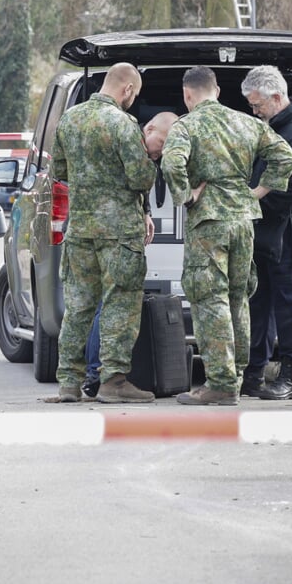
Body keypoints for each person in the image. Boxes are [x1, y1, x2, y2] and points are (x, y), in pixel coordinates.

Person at [160, 66, 292, 405]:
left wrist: (187, 196)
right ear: (217, 90)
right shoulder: (247, 123)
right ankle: (235, 377)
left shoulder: (186, 126)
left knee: (210, 299)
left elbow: (171, 163)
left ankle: (219, 383)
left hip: (210, 222)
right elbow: (285, 155)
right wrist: (258, 191)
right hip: (243, 221)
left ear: (187, 95)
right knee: (238, 297)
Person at [51, 63, 159, 404]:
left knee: (79, 306)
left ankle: (69, 382)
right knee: (119, 303)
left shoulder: (70, 119)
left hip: (81, 229)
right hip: (119, 234)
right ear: (126, 89)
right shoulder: (123, 124)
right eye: (135, 94)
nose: (133, 100)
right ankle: (112, 381)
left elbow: (59, 170)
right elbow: (142, 178)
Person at [82, 111, 178, 398]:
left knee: (103, 304)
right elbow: (134, 181)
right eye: (161, 144)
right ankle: (100, 375)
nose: (160, 154)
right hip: (113, 234)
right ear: (148, 128)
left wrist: (146, 212)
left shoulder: (129, 142)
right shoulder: (126, 142)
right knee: (109, 304)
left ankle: (92, 375)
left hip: (105, 231)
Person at [240, 66, 292, 400]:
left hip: (286, 235)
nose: (254, 111)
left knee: (288, 305)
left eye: (257, 105)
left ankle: (291, 375)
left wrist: (252, 201)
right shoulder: (277, 129)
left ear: (277, 97)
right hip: (270, 233)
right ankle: (255, 371)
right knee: (260, 304)